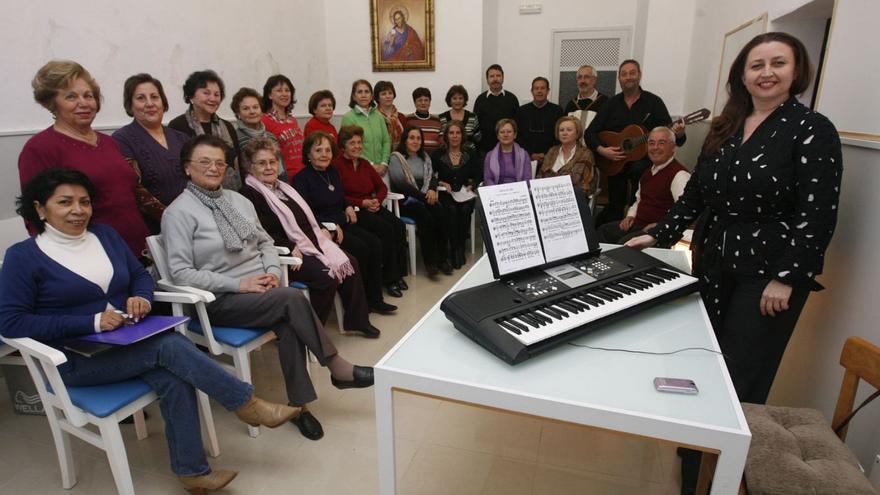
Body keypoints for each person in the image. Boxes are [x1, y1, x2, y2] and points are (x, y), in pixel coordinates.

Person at [627, 33, 842, 495]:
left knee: (741, 381)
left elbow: (818, 213)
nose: (767, 72)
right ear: (741, 75)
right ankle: (692, 464)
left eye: (778, 63)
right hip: (714, 263)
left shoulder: (811, 129)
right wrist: (657, 233)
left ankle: (722, 477)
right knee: (704, 367)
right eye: (756, 64)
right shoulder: (726, 126)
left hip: (767, 278)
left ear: (796, 70)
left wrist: (788, 277)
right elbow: (699, 195)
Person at [0, 168, 301, 493]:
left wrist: (141, 297)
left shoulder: (104, 236)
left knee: (174, 375)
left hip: (127, 344)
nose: (78, 210)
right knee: (168, 347)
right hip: (74, 361)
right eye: (65, 202)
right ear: (40, 208)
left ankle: (193, 473)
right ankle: (246, 403)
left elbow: (140, 275)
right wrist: (92, 322)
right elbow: (10, 322)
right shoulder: (23, 257)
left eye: (84, 202)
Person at [162, 134, 375, 442]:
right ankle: (337, 367)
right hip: (220, 300)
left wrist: (273, 271)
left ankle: (300, 407)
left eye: (220, 162)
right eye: (204, 162)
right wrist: (239, 283)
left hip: (264, 292)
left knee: (289, 321)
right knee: (292, 298)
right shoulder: (179, 213)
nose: (213, 168)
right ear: (186, 168)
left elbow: (265, 243)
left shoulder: (238, 200)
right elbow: (181, 273)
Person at [239, 137, 390, 339]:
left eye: (272, 162)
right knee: (327, 275)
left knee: (350, 263)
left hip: (311, 242)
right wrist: (288, 245)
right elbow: (260, 233)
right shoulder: (249, 194)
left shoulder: (284, 188)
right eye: (261, 163)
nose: (269, 167)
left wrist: (320, 229)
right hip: (287, 255)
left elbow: (305, 216)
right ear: (250, 167)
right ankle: (308, 331)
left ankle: (357, 321)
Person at [19, 60, 150, 258]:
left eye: (88, 96)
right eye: (71, 97)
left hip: (137, 249)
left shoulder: (109, 142)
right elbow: (34, 217)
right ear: (52, 104)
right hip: (90, 256)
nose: (84, 103)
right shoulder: (40, 148)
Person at [293, 132, 394, 320]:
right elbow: (304, 213)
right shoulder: (301, 179)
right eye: (318, 150)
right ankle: (361, 303)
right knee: (361, 248)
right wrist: (327, 226)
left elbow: (340, 197)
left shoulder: (332, 172)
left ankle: (375, 298)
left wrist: (347, 206)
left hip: (341, 222)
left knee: (375, 243)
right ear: (308, 153)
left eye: (328, 150)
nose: (324, 154)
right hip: (325, 231)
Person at [585, 59, 686, 224]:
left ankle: (637, 222)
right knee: (614, 206)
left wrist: (679, 134)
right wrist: (602, 150)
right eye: (624, 74)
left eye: (632, 73)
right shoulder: (611, 104)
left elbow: (672, 136)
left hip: (643, 163)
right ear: (619, 78)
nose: (628, 77)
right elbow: (590, 132)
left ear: (639, 75)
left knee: (639, 172)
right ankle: (614, 227)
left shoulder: (654, 103)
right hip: (615, 161)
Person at [335, 125, 409, 297]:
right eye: (352, 143)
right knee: (386, 229)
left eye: (359, 142)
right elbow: (340, 196)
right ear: (343, 145)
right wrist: (363, 202)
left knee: (398, 225)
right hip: (354, 210)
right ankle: (390, 279)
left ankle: (398, 273)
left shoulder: (364, 164)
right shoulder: (337, 166)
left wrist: (377, 200)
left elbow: (381, 187)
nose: (357, 146)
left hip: (372, 206)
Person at [112, 73, 190, 235]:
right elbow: (135, 189)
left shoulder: (181, 137)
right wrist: (171, 219)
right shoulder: (122, 139)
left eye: (154, 97)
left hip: (191, 221)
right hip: (154, 228)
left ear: (163, 102)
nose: (149, 103)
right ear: (130, 105)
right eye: (141, 98)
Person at [596, 127, 688, 244]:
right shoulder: (647, 173)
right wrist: (630, 216)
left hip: (657, 231)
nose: (655, 148)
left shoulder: (679, 175)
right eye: (651, 143)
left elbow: (684, 211)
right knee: (603, 231)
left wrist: (661, 226)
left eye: (661, 143)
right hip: (638, 224)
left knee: (625, 245)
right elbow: (639, 200)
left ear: (673, 147)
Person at [389, 127, 450, 277]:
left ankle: (443, 259)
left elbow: (433, 176)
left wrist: (431, 189)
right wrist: (424, 198)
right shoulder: (396, 158)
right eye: (411, 138)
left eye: (418, 138)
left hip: (423, 197)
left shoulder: (425, 157)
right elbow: (401, 184)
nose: (415, 141)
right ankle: (430, 262)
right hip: (405, 202)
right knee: (425, 216)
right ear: (405, 140)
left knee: (440, 213)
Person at [168, 69, 243, 191]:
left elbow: (238, 164)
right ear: (191, 95)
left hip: (231, 192)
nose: (212, 98)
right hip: (195, 194)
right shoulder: (178, 125)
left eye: (217, 94)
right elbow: (178, 167)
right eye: (206, 93)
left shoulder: (228, 126)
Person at [432, 121, 480, 269]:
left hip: (465, 192)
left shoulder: (470, 153)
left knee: (465, 210)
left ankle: (459, 247)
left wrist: (472, 184)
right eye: (451, 133)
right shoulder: (437, 154)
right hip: (446, 194)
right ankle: (453, 249)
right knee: (452, 210)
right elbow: (431, 176)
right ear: (446, 135)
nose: (454, 136)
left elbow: (478, 174)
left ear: (462, 135)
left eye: (458, 133)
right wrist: (440, 183)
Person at [229, 87, 288, 182]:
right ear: (238, 113)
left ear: (261, 110)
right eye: (246, 108)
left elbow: (281, 169)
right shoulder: (234, 138)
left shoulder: (271, 137)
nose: (252, 111)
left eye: (255, 107)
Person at [341, 79, 391, 179]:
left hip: (382, 170)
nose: (363, 95)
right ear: (354, 96)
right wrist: (371, 165)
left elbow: (386, 141)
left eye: (367, 92)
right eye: (359, 92)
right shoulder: (349, 117)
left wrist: (384, 163)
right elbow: (349, 146)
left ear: (372, 96)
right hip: (360, 169)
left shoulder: (378, 116)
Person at [537, 115, 595, 195]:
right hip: (548, 196)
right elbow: (541, 176)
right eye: (561, 130)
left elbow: (581, 182)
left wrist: (552, 181)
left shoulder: (585, 154)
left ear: (577, 133)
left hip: (573, 197)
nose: (564, 133)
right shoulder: (552, 151)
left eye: (569, 130)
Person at [261, 74, 305, 178]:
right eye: (279, 90)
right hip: (285, 176)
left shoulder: (293, 120)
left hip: (303, 173)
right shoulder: (264, 121)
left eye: (287, 90)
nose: (284, 94)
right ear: (270, 95)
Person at [516, 77, 565, 165]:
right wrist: (530, 154)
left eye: (542, 88)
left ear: (548, 91)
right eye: (536, 88)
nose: (539, 91)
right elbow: (518, 136)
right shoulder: (521, 111)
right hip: (526, 159)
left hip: (551, 159)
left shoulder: (557, 111)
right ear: (532, 91)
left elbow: (560, 136)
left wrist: (547, 155)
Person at [473, 64, 519, 155]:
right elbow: (476, 126)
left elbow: (517, 125)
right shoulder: (480, 99)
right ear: (487, 80)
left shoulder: (512, 99)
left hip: (508, 149)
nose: (495, 79)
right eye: (492, 76)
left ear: (503, 78)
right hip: (485, 150)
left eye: (498, 76)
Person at [482, 119, 531, 186]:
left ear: (515, 135)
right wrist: (498, 191)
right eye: (502, 132)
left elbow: (527, 179)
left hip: (519, 192)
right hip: (496, 192)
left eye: (509, 132)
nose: (505, 135)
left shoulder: (524, 155)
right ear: (498, 136)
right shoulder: (489, 155)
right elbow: (488, 179)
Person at [564, 65, 609, 131]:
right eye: (580, 77)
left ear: (594, 80)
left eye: (586, 77)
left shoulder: (606, 103)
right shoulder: (571, 105)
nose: (582, 81)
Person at [439, 85, 481, 153]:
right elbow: (441, 140)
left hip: (470, 156)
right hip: (447, 156)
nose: (457, 101)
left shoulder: (472, 117)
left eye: (460, 98)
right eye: (454, 98)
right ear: (450, 100)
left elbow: (478, 138)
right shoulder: (442, 118)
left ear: (464, 100)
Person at [405, 87, 444, 154]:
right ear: (414, 102)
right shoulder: (408, 120)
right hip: (414, 158)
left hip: (434, 158)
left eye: (426, 100)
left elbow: (442, 142)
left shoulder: (437, 120)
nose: (423, 103)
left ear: (430, 102)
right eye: (420, 100)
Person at [374, 80, 408, 150]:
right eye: (383, 94)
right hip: (378, 155)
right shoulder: (373, 116)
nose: (388, 96)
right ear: (377, 97)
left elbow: (406, 140)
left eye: (390, 93)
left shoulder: (401, 117)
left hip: (399, 155)